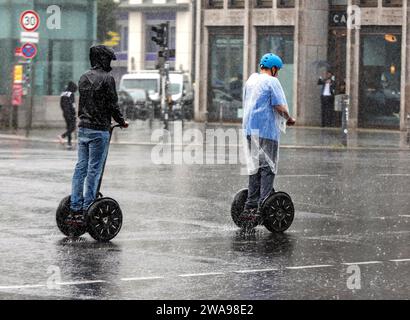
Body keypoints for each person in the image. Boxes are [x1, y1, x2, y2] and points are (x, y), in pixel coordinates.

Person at [69, 45, 128, 222]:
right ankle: (89, 206)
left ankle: (75, 206)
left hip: (83, 127)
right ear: (103, 60)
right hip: (99, 129)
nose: (110, 63)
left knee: (80, 168)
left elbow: (84, 104)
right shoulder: (108, 79)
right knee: (94, 169)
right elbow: (112, 105)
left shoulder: (84, 77)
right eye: (108, 59)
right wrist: (121, 121)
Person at [241, 53, 296, 222]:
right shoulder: (272, 81)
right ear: (273, 69)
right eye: (277, 70)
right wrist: (289, 118)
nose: (277, 73)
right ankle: (262, 206)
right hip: (266, 130)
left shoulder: (251, 81)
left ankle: (250, 206)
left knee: (254, 167)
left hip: (250, 130)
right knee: (267, 168)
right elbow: (279, 106)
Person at [58, 81, 78, 149]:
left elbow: (61, 104)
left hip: (65, 113)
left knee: (69, 127)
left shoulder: (63, 93)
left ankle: (69, 143)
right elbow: (73, 105)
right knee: (72, 127)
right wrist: (74, 113)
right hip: (70, 113)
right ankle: (62, 136)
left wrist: (64, 111)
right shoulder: (71, 94)